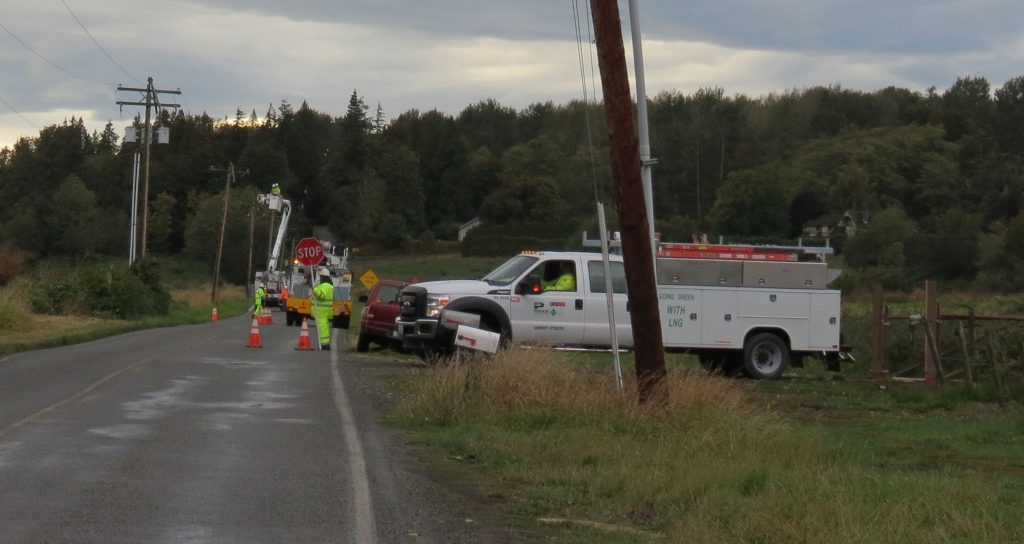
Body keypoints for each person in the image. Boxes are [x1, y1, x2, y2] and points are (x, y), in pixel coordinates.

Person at [312, 270, 334, 350]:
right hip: (323, 311)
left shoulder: (325, 285)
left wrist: (314, 290)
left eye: (320, 276)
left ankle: (324, 345)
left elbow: (322, 296)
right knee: (323, 328)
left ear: (322, 276)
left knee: (323, 328)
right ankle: (324, 345)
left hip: (322, 311)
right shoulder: (326, 285)